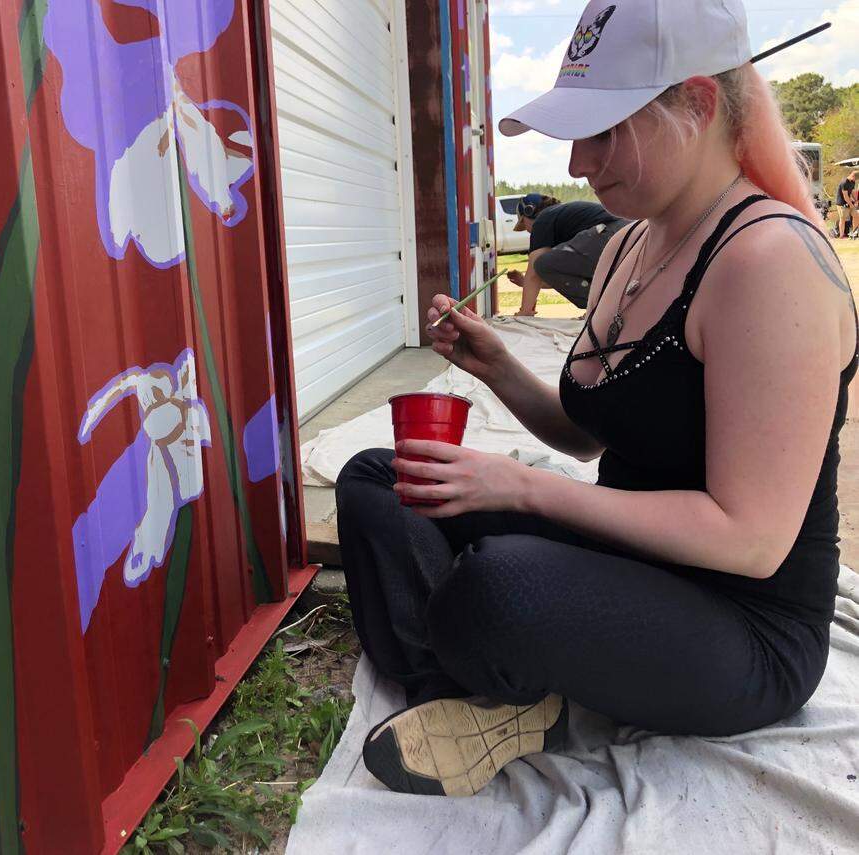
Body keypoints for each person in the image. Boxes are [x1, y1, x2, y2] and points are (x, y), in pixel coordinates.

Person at [337, 0, 854, 799]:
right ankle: (464, 703)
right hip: (631, 561)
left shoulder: (767, 263)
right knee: (382, 475)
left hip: (742, 625)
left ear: (699, 103)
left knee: (495, 586)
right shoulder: (629, 246)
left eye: (604, 130)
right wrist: (498, 365)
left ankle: (480, 666)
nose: (578, 163)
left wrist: (523, 487)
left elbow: (750, 539)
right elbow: (586, 438)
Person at [507, 194, 628, 315]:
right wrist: (524, 283)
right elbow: (562, 277)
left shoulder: (543, 219)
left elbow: (535, 273)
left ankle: (601, 308)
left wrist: (525, 312)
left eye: (524, 224)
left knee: (542, 263)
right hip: (628, 233)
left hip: (608, 233)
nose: (528, 231)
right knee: (549, 265)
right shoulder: (563, 216)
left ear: (529, 212)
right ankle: (608, 307)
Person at [835, 171, 856, 238]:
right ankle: (841, 235)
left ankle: (853, 233)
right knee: (843, 219)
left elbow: (852, 192)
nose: (856, 180)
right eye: (855, 178)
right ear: (852, 175)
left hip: (849, 203)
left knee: (856, 216)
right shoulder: (844, 182)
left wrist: (856, 200)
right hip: (841, 203)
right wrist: (851, 205)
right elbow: (845, 196)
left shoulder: (853, 182)